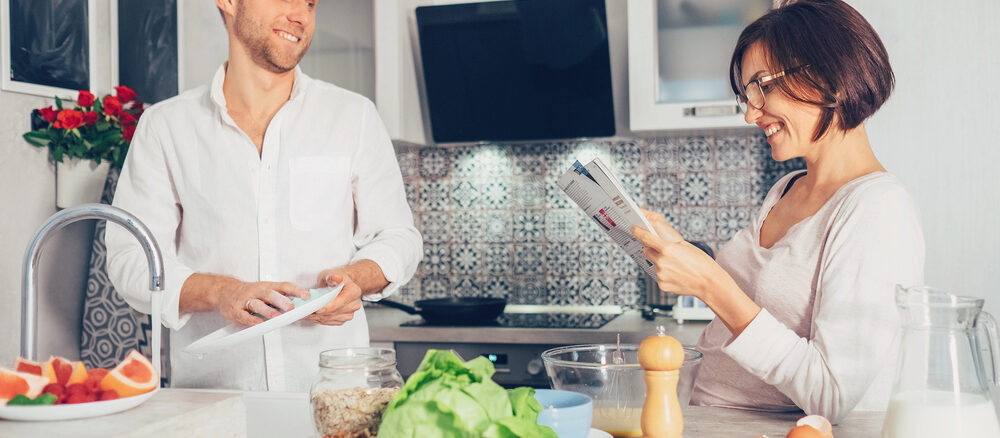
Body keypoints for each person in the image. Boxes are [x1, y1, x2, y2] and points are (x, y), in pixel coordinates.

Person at [106, 0, 422, 392]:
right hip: (215, 401)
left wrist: (356, 279)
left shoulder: (353, 116)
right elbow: (131, 259)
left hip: (332, 400)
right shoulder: (165, 126)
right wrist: (223, 293)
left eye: (310, 3)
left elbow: (398, 237)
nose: (301, 15)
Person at [632, 0, 924, 424]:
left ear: (828, 74)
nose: (751, 113)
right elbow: (755, 301)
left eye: (761, 87)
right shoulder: (786, 189)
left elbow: (831, 394)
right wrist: (679, 253)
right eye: (746, 94)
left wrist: (712, 285)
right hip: (700, 419)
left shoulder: (877, 209)